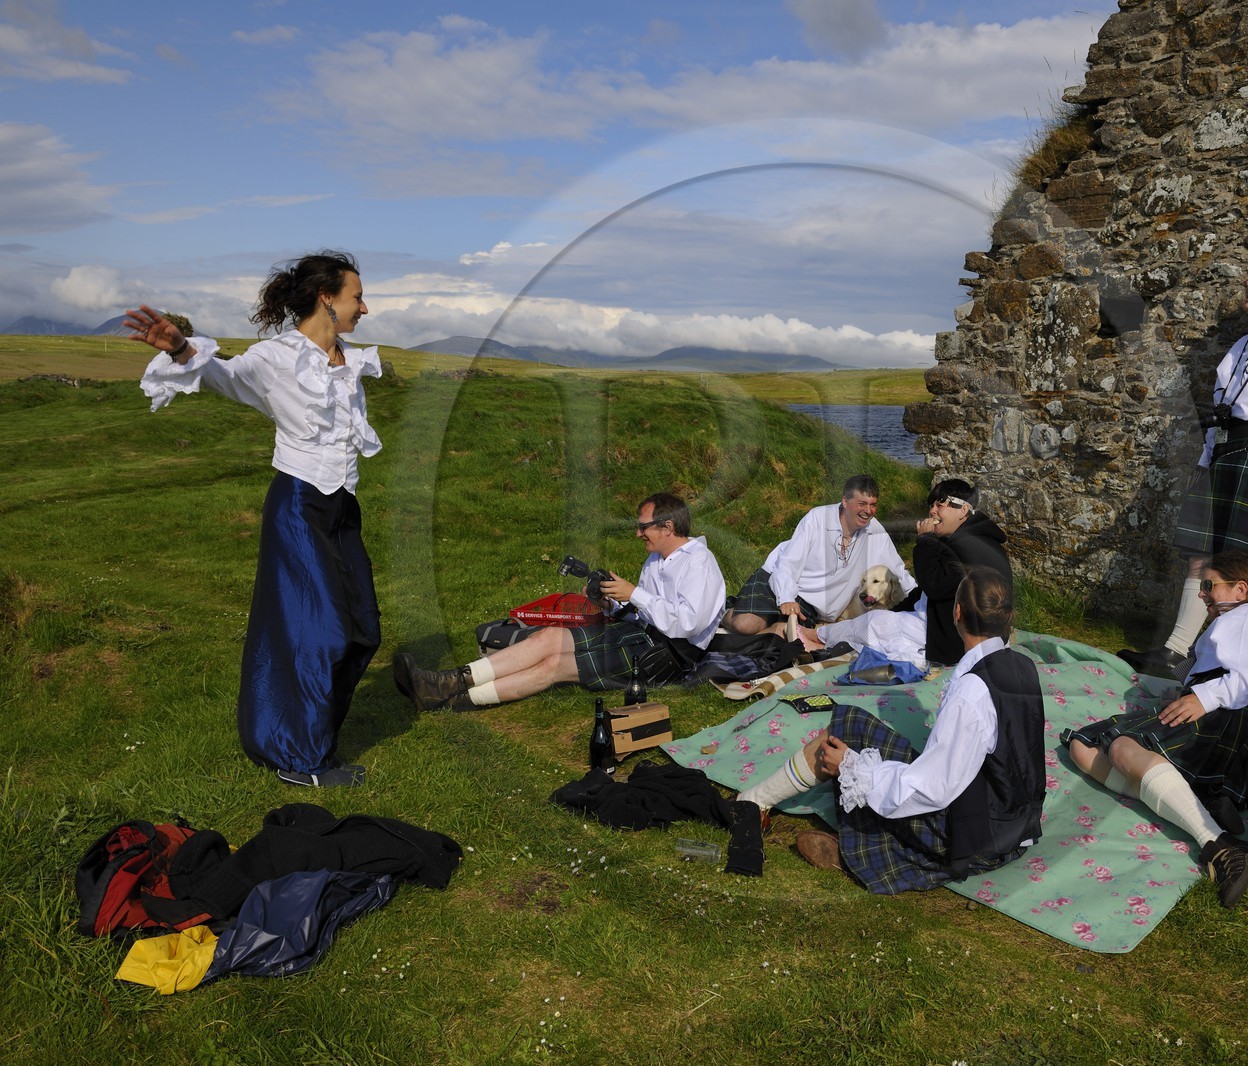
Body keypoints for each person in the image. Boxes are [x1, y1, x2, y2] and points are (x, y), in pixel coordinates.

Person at [124, 251, 381, 788]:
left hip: (341, 507)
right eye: (357, 296)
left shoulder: (349, 359)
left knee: (362, 630)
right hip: (297, 506)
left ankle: (311, 737)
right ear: (326, 299)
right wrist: (179, 347)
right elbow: (222, 376)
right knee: (321, 630)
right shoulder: (277, 357)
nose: (365, 306)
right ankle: (300, 760)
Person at [739, 567, 1044, 893]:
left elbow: (934, 788)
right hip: (1015, 824)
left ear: (957, 612)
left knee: (850, 728)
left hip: (973, 837)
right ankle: (844, 841)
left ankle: (751, 804)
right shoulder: (1022, 665)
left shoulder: (972, 691)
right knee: (868, 742)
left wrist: (851, 767)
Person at [1068, 550, 1248, 908]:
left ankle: (1217, 843)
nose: (1201, 594)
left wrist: (1205, 699)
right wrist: (1190, 691)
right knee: (1084, 748)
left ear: (1240, 589)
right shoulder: (1242, 617)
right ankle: (1195, 802)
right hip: (1230, 705)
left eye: (1208, 585)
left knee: (1119, 749)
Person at [1120, 254, 1248, 677]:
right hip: (1224, 454)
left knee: (1237, 567)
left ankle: (1225, 659)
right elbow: (1220, 408)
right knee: (1199, 557)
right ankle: (1175, 652)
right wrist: (1207, 457)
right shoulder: (1240, 347)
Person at [394, 493, 725, 710]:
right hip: (642, 635)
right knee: (549, 636)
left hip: (668, 656)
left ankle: (456, 702)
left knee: (553, 667)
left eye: (643, 528)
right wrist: (612, 603)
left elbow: (688, 624)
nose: (638, 534)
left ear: (667, 527)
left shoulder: (699, 562)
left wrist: (634, 594)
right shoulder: (656, 559)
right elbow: (646, 610)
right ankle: (445, 682)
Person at [804, 477, 1011, 668]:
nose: (932, 511)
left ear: (963, 510)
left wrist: (925, 541)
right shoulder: (974, 539)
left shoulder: (968, 546)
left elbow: (935, 585)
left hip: (959, 637)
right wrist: (898, 607)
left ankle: (817, 636)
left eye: (940, 505)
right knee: (884, 620)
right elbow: (937, 587)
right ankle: (827, 640)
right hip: (966, 627)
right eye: (931, 505)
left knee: (875, 624)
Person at [723, 473, 913, 636]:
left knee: (783, 633)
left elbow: (896, 571)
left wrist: (920, 599)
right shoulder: (817, 519)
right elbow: (789, 564)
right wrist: (786, 598)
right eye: (862, 503)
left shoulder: (873, 530)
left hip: (810, 604)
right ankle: (722, 612)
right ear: (845, 501)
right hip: (780, 580)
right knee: (746, 625)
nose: (868, 511)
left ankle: (766, 630)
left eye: (873, 505)